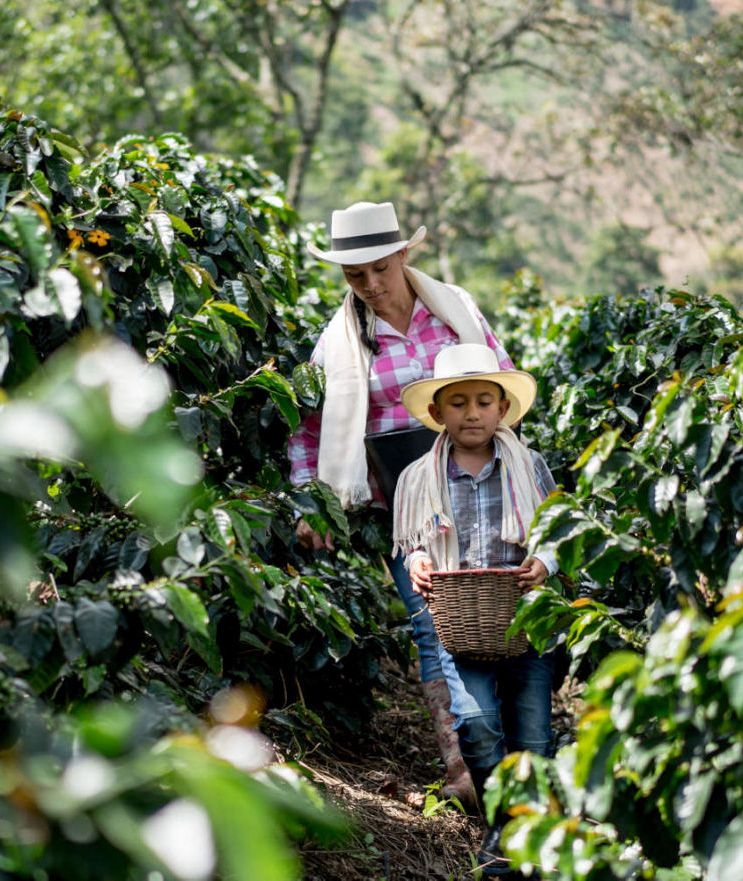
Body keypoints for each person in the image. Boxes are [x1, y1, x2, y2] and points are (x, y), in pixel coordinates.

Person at [287, 200, 514, 809]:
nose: (369, 285)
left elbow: (504, 381)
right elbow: (308, 433)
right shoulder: (338, 342)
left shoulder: (454, 312)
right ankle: (463, 762)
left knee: (492, 614)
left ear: (403, 256)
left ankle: (511, 748)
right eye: (354, 276)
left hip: (481, 488)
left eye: (379, 269)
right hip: (408, 507)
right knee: (431, 622)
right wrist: (313, 503)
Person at [392, 342, 557, 878]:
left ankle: (521, 833)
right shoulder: (420, 477)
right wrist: (418, 562)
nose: (472, 413)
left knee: (532, 735)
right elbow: (415, 541)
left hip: (526, 621)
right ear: (438, 412)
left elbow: (557, 529)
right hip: (461, 624)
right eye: (458, 403)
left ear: (502, 409)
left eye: (484, 401)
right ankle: (502, 817)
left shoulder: (529, 467)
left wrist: (545, 564)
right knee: (478, 721)